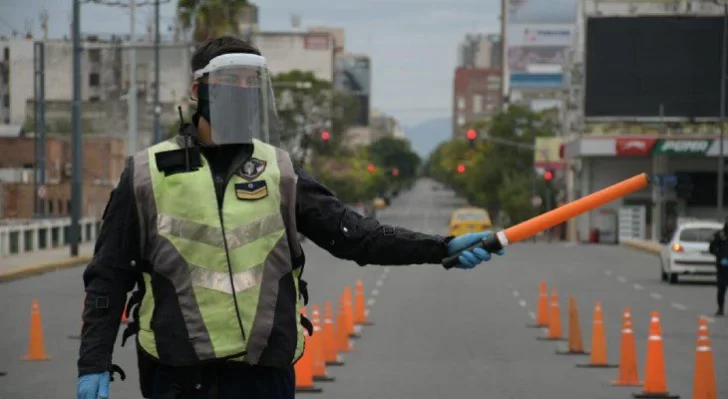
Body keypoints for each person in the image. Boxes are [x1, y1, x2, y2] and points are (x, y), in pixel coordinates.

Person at [76, 36, 504, 399]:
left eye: (251, 83)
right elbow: (109, 274)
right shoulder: (147, 174)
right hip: (176, 376)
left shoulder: (279, 171)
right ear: (197, 90)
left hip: (265, 376)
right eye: (230, 82)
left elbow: (356, 236)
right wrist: (93, 360)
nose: (242, 92)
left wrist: (439, 247)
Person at [709, 217, 728, 317]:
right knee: (721, 289)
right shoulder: (719, 235)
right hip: (722, 267)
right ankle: (720, 308)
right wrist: (720, 257)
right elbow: (712, 248)